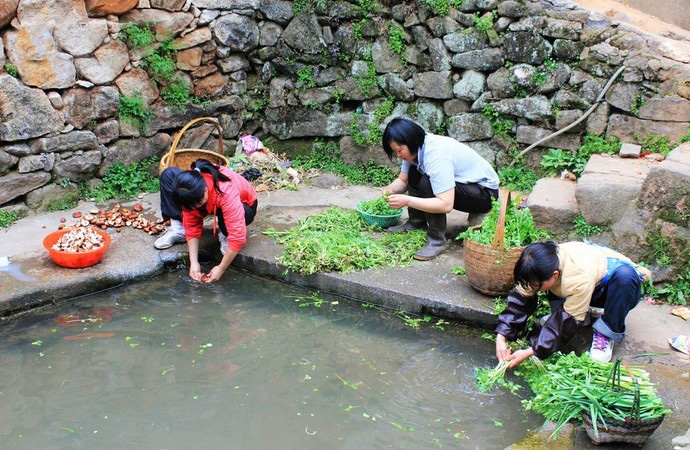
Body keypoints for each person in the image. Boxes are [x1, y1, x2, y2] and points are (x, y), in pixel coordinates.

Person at [495, 240, 651, 367]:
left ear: (555, 275)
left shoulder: (578, 276)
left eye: (536, 286)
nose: (533, 288)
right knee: (555, 293)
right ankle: (584, 317)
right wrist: (501, 338)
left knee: (625, 277)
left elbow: (565, 322)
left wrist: (530, 351)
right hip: (584, 286)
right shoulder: (541, 264)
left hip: (612, 290)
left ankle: (605, 333)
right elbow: (521, 299)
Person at [381, 117, 499, 260]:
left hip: (484, 194)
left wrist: (407, 200)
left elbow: (445, 204)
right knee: (415, 171)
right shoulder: (415, 150)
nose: (398, 155)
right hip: (465, 185)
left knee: (427, 181)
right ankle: (416, 222)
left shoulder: (436, 156)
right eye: (395, 152)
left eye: (399, 150)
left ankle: (436, 240)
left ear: (411, 141)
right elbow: (403, 180)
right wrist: (390, 189)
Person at [154, 159, 258, 283]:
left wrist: (221, 268)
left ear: (205, 191)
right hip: (207, 198)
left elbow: (238, 237)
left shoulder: (224, 190)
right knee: (168, 174)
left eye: (198, 204)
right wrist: (194, 263)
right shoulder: (189, 189)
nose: (194, 209)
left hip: (246, 205)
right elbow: (192, 224)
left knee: (233, 224)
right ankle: (179, 229)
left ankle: (225, 233)